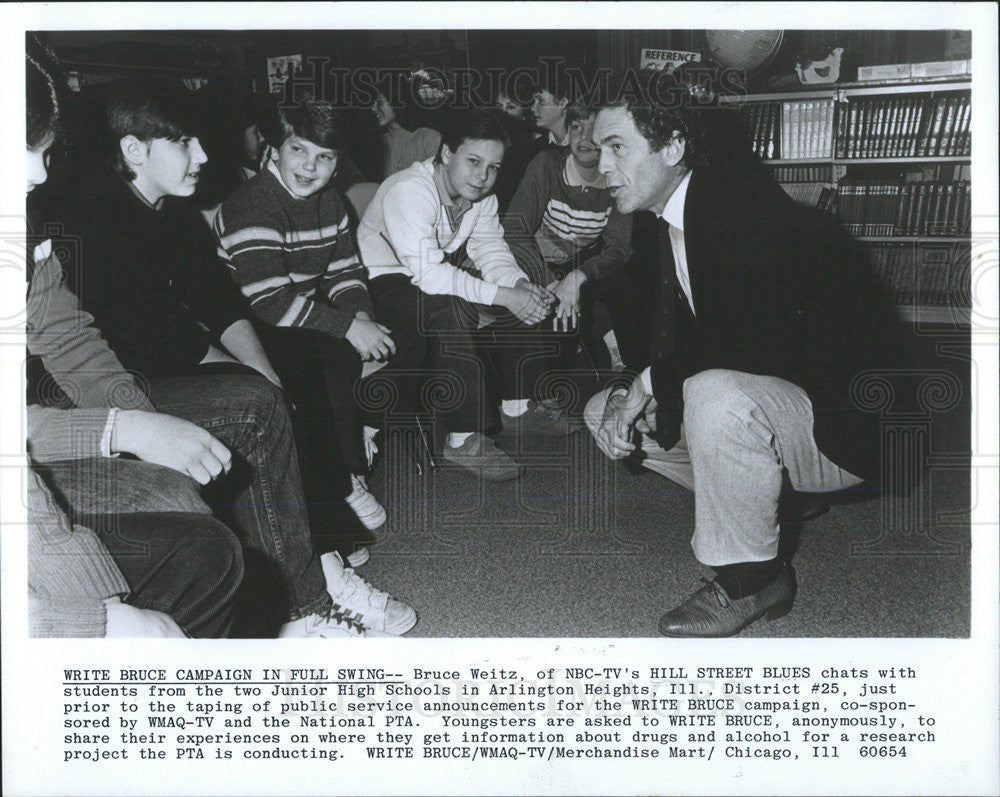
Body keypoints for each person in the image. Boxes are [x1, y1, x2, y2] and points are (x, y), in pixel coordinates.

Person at [45, 77, 415, 637]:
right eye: (185, 142)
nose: (205, 154)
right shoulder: (92, 215)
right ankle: (307, 606)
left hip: (151, 365)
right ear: (134, 150)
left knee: (277, 372)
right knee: (256, 404)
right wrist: (255, 383)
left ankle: (327, 552)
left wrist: (262, 369)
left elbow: (218, 299)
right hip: (95, 394)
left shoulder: (169, 206)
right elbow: (157, 339)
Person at [585, 68, 895, 637]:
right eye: (597, 150)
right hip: (774, 409)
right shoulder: (658, 222)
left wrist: (650, 386)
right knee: (603, 407)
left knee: (711, 393)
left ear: (673, 147)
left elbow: (754, 345)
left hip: (840, 426)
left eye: (616, 148)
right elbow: (662, 342)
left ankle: (753, 578)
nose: (600, 166)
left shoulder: (741, 203)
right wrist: (633, 390)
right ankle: (772, 501)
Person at [26, 40, 242, 638]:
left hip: (49, 426)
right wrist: (96, 613)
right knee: (200, 545)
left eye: (44, 150)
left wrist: (139, 423)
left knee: (197, 526)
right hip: (31, 453)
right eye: (22, 148)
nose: (38, 171)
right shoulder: (94, 214)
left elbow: (71, 338)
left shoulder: (24, 223)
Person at [358, 108, 569, 482]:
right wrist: (503, 295)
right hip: (378, 282)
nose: (483, 176)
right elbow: (429, 275)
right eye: (473, 161)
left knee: (520, 293)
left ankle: (518, 405)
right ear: (445, 154)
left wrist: (518, 286)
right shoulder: (410, 189)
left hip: (425, 278)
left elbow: (491, 252)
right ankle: (463, 438)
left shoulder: (481, 199)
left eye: (493, 167)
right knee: (451, 309)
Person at [214, 98, 389, 536]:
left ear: (337, 163)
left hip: (297, 313)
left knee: (387, 332)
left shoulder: (331, 204)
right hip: (244, 327)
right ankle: (342, 479)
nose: (310, 166)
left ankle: (352, 443)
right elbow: (268, 302)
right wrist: (349, 329)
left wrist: (362, 317)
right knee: (319, 361)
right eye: (299, 150)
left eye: (324, 156)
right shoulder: (252, 204)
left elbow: (345, 272)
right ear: (274, 149)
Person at [503, 99, 633, 372]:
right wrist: (548, 282)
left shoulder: (617, 179)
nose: (584, 138)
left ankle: (618, 346)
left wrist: (577, 277)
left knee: (624, 277)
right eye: (576, 128)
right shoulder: (547, 164)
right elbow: (514, 230)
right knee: (546, 328)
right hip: (532, 260)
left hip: (576, 262)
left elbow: (619, 247)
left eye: (593, 130)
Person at [371, 79, 442, 181]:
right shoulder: (378, 144)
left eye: (380, 102)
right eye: (373, 103)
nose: (373, 108)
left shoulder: (429, 139)